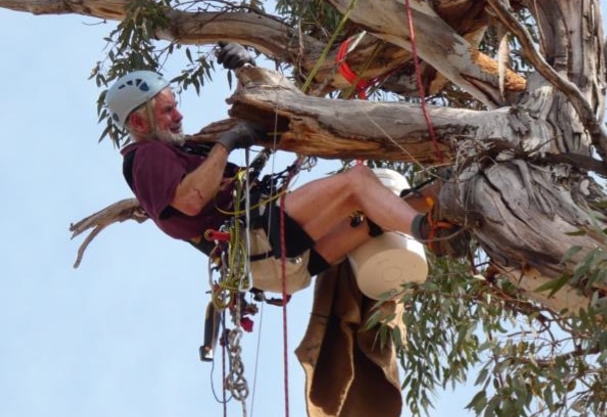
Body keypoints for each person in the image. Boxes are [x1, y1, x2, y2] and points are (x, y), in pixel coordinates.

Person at [104, 44, 454, 295]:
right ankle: (427, 231)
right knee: (357, 184)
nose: (178, 116)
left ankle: (452, 206)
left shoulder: (188, 149)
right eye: (167, 111)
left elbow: (256, 113)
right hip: (262, 244)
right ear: (137, 120)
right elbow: (192, 200)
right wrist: (227, 144)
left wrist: (246, 67)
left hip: (280, 263)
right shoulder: (146, 156)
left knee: (380, 206)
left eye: (175, 106)